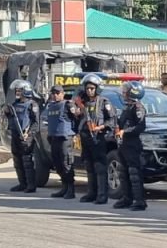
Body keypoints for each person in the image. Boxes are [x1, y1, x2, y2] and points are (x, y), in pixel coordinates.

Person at [73, 73, 116, 205]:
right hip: (85, 138)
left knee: (99, 167)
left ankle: (102, 195)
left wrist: (100, 127)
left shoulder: (104, 102)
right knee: (89, 166)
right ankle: (91, 193)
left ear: (97, 88)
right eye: (87, 88)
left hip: (98, 138)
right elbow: (77, 118)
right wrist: (76, 113)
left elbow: (112, 120)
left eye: (92, 88)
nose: (89, 91)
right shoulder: (83, 103)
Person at [113, 81, 148, 211]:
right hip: (124, 144)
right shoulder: (127, 107)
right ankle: (126, 198)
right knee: (123, 172)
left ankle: (139, 201)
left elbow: (140, 126)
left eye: (126, 91)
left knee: (134, 172)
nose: (123, 93)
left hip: (133, 144)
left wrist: (125, 131)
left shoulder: (138, 107)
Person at [3, 79, 40, 193]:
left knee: (27, 161)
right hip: (15, 135)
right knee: (17, 161)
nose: (17, 92)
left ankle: (31, 185)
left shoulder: (32, 105)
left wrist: (28, 134)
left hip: (26, 136)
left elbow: (35, 123)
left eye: (19, 90)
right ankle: (22, 183)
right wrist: (6, 112)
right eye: (16, 90)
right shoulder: (15, 105)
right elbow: (11, 119)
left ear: (26, 91)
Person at [45, 85, 78, 199]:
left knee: (66, 163)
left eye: (57, 93)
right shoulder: (51, 106)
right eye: (53, 93)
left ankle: (70, 189)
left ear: (62, 93)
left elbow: (76, 118)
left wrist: (75, 133)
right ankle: (64, 187)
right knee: (57, 164)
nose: (55, 95)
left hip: (65, 138)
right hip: (54, 138)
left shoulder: (68, 104)